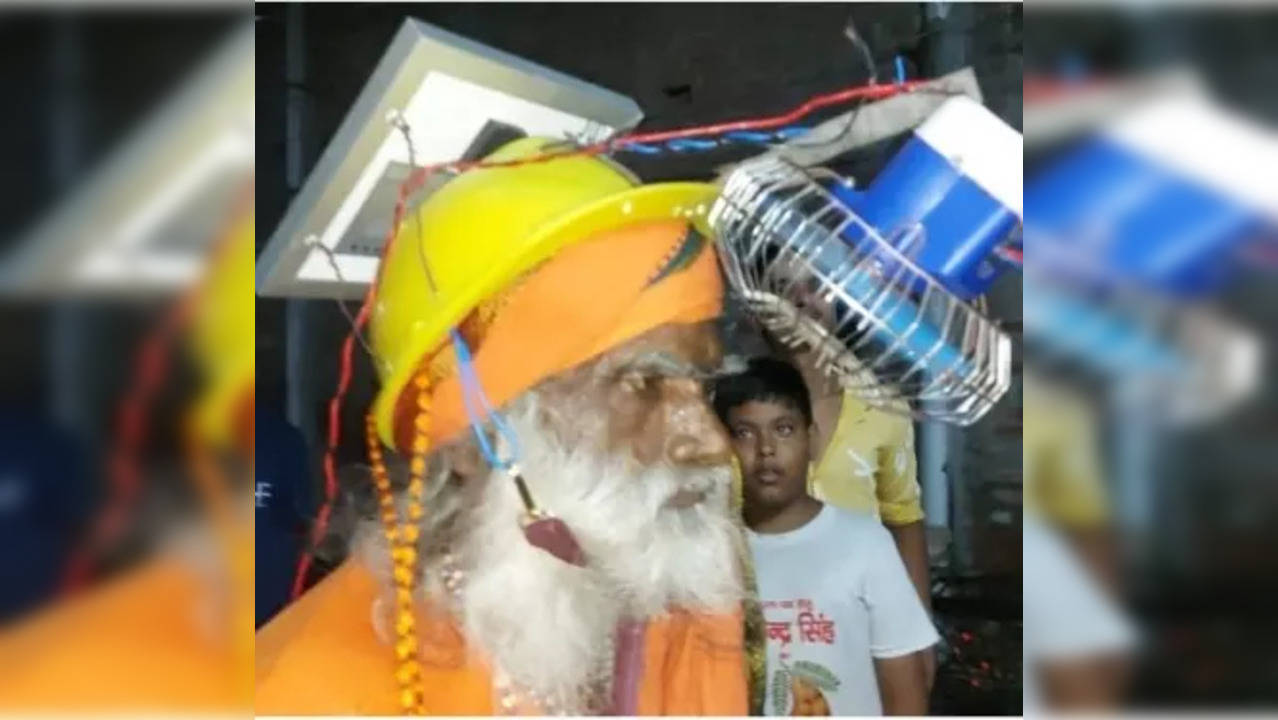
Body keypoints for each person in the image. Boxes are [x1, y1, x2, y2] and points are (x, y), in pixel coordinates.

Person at [255, 138, 753, 714]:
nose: (714, 444)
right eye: (642, 384)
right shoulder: (301, 695)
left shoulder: (675, 597)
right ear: (477, 437)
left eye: (707, 386)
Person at [714, 357, 938, 716]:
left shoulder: (866, 546)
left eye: (784, 429)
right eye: (745, 433)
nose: (766, 449)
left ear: (812, 440)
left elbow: (906, 696)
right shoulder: (713, 557)